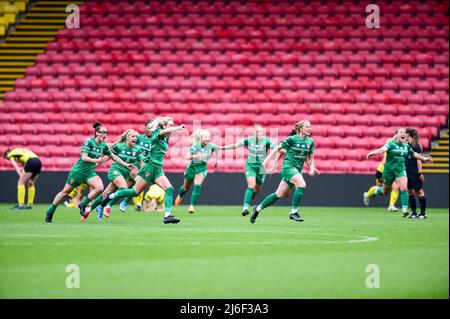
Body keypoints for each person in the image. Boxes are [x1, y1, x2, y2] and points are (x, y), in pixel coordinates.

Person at [44, 121, 133, 223]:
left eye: (106, 133)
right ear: (96, 133)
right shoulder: (89, 142)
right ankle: (50, 211)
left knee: (99, 188)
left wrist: (125, 165)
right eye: (102, 132)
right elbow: (84, 157)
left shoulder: (103, 146)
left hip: (89, 172)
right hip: (78, 171)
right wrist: (97, 161)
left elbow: (113, 156)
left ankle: (83, 204)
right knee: (65, 192)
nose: (104, 135)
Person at [101, 117, 185, 224]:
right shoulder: (158, 133)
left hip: (158, 169)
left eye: (173, 125)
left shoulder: (165, 138)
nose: (172, 127)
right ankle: (111, 196)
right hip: (149, 166)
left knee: (169, 189)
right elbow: (164, 131)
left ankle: (167, 216)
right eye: (170, 125)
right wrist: (178, 128)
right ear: (163, 126)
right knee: (135, 192)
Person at [250, 120, 319, 223]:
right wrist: (266, 161)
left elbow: (310, 159)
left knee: (279, 194)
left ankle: (258, 208)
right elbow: (276, 149)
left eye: (310, 126)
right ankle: (294, 212)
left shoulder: (310, 142)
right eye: (307, 127)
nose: (309, 128)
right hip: (288, 168)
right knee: (302, 184)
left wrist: (312, 168)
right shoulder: (291, 139)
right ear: (301, 128)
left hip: (296, 170)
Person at [364, 128, 432, 217]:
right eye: (401, 133)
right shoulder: (391, 144)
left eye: (404, 133)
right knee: (384, 192)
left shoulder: (406, 146)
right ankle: (373, 191)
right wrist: (373, 153)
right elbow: (382, 150)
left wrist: (424, 158)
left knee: (404, 188)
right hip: (389, 172)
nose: (403, 134)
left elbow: (414, 154)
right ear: (397, 135)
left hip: (400, 170)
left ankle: (404, 209)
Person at [84, 129, 144, 221]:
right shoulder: (119, 146)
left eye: (136, 137)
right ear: (127, 138)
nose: (135, 138)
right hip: (115, 171)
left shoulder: (137, 150)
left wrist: (143, 171)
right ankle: (108, 206)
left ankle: (90, 209)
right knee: (123, 188)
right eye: (133, 136)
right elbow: (109, 156)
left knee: (105, 194)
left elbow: (141, 163)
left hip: (124, 174)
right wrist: (96, 164)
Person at [218, 124, 278, 216]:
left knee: (257, 190)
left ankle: (252, 195)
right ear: (253, 132)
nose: (259, 133)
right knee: (251, 185)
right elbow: (235, 145)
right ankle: (245, 208)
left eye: (261, 131)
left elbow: (277, 148)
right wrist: (222, 148)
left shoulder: (267, 141)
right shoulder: (249, 140)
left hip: (261, 168)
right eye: (257, 132)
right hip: (250, 166)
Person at [174, 129, 218, 214]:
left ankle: (192, 206)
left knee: (197, 185)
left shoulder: (211, 146)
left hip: (202, 169)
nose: (207, 139)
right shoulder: (195, 146)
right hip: (192, 168)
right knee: (186, 188)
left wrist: (216, 161)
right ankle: (180, 195)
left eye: (208, 137)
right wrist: (197, 156)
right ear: (201, 138)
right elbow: (187, 157)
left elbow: (216, 150)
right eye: (205, 137)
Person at [119, 119, 155, 213]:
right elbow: (128, 140)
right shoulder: (138, 137)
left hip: (145, 166)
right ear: (145, 128)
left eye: (153, 127)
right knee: (140, 183)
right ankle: (125, 202)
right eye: (149, 127)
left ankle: (107, 203)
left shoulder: (155, 141)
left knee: (126, 188)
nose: (151, 129)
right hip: (134, 165)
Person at [363, 138, 400, 212]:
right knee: (383, 191)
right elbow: (384, 161)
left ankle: (391, 205)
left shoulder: (399, 148)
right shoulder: (390, 147)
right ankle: (367, 194)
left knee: (396, 187)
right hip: (382, 170)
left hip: (392, 171)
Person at [405, 128, 428, 219]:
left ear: (407, 134)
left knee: (419, 192)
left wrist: (420, 173)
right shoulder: (406, 145)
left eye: (405, 134)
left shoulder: (416, 145)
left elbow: (419, 160)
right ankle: (414, 213)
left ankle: (423, 213)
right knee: (410, 192)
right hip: (406, 171)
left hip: (414, 172)